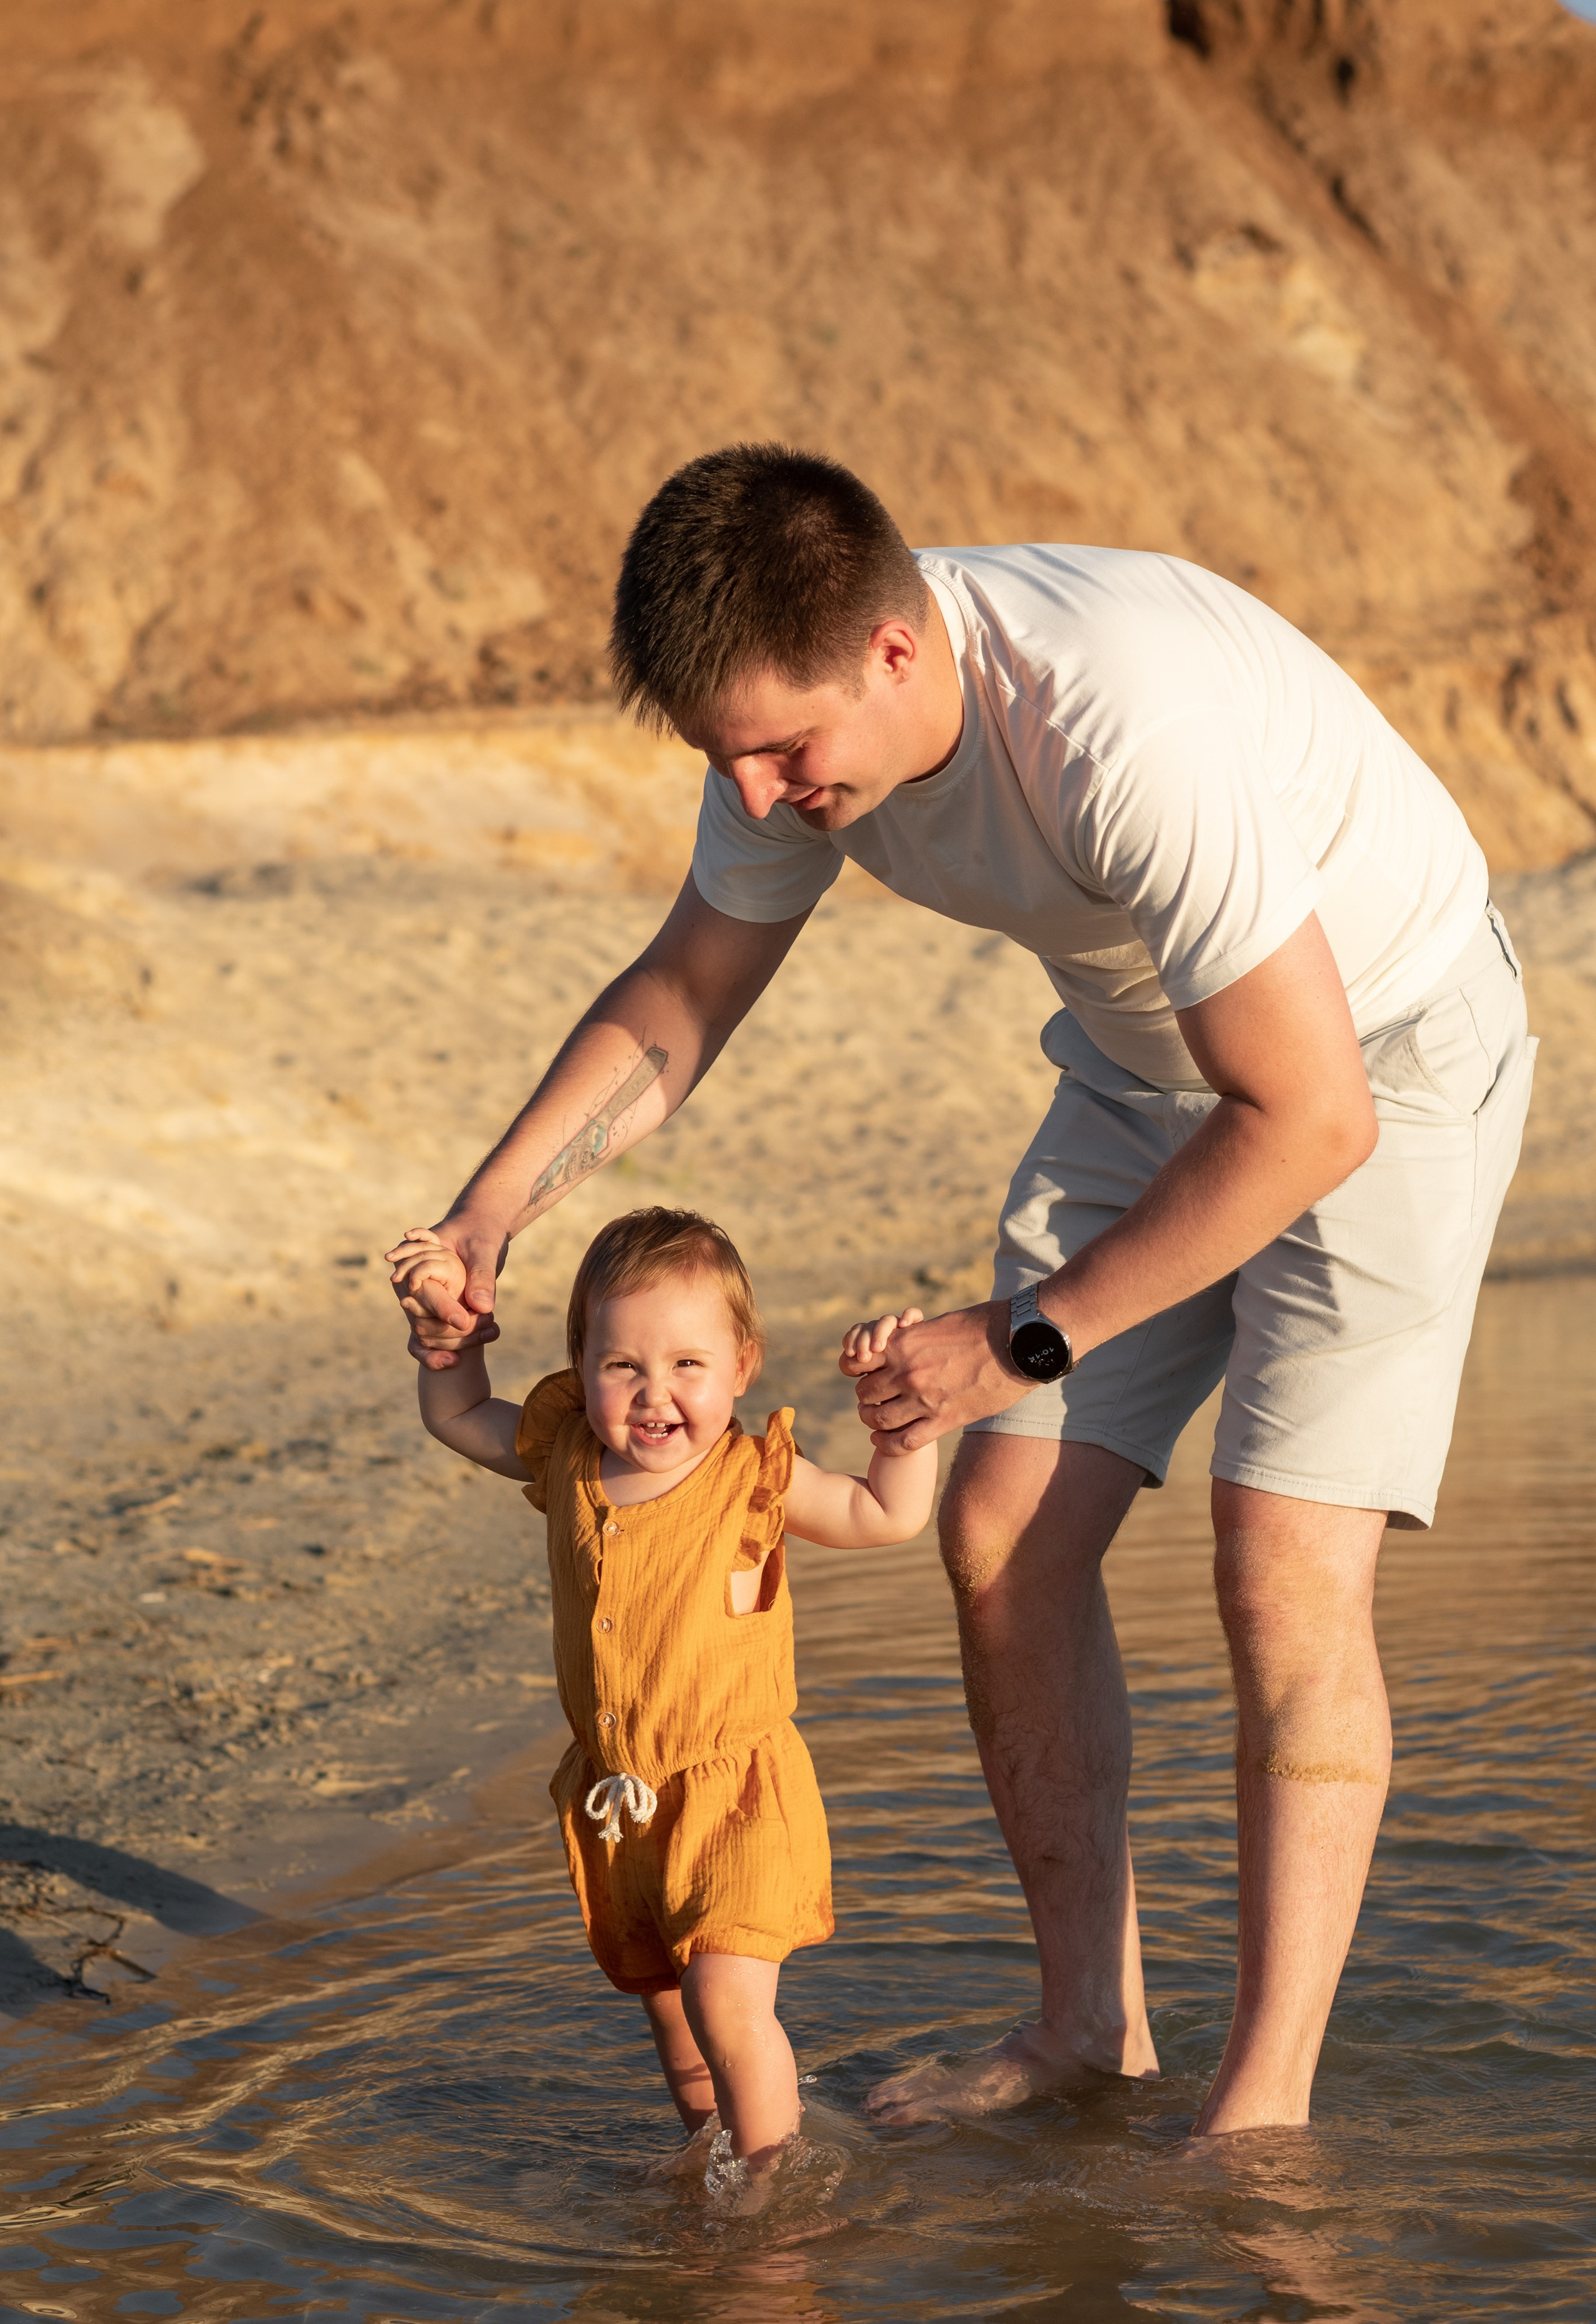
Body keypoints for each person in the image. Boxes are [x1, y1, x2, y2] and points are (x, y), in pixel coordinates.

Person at [388, 445, 1534, 2137]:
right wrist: (490, 1208)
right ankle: (1088, 2032)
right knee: (997, 1534)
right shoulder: (799, 731)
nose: (765, 794)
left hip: (1385, 1057)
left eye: (789, 749)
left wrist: (1015, 1340)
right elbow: (687, 988)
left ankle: (1260, 2114)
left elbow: (1312, 1118)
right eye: (733, 759)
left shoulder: (1114, 718)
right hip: (1151, 1069)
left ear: (900, 654)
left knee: (1280, 1561)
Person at [395, 1202, 937, 2179]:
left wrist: (903, 1418)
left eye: (688, 1364)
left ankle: (771, 2195)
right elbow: (456, 1414)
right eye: (623, 1366)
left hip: (737, 1793)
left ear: (743, 1364)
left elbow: (883, 1514)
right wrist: (447, 1338)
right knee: (678, 2018)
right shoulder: (568, 1455)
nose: (656, 1394)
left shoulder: (750, 1475)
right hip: (622, 1807)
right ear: (582, 1362)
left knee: (729, 2004)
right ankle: (710, 2154)